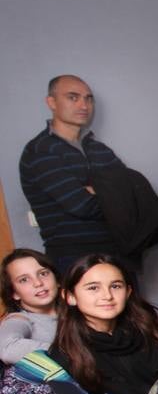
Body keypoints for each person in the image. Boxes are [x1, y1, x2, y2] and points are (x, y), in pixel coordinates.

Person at [49, 254, 158, 394]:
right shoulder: (66, 353)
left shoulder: (152, 333)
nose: (107, 296)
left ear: (128, 291)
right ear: (70, 296)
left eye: (116, 286)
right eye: (93, 288)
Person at [19, 75, 126, 270]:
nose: (84, 105)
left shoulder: (99, 149)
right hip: (72, 258)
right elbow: (83, 206)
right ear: (51, 102)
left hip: (118, 253)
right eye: (73, 97)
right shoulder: (40, 151)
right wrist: (108, 192)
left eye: (88, 98)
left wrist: (94, 190)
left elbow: (132, 196)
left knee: (129, 302)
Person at [0, 249, 75, 394]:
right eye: (24, 280)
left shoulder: (76, 310)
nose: (38, 283)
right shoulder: (20, 319)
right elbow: (7, 347)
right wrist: (72, 353)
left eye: (43, 273)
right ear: (15, 293)